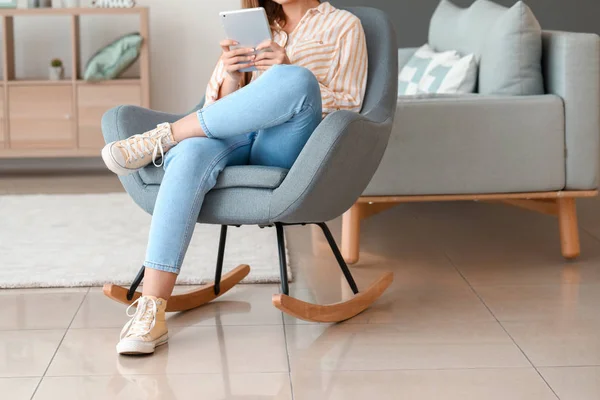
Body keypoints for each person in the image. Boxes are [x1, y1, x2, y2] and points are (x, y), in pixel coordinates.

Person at [101, 0, 368, 356]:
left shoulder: (344, 26)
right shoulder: (255, 25)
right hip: (236, 137)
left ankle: (165, 136)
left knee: (297, 79)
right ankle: (152, 309)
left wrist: (288, 70)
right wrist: (230, 75)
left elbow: (351, 106)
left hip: (288, 147)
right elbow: (214, 108)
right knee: (192, 153)